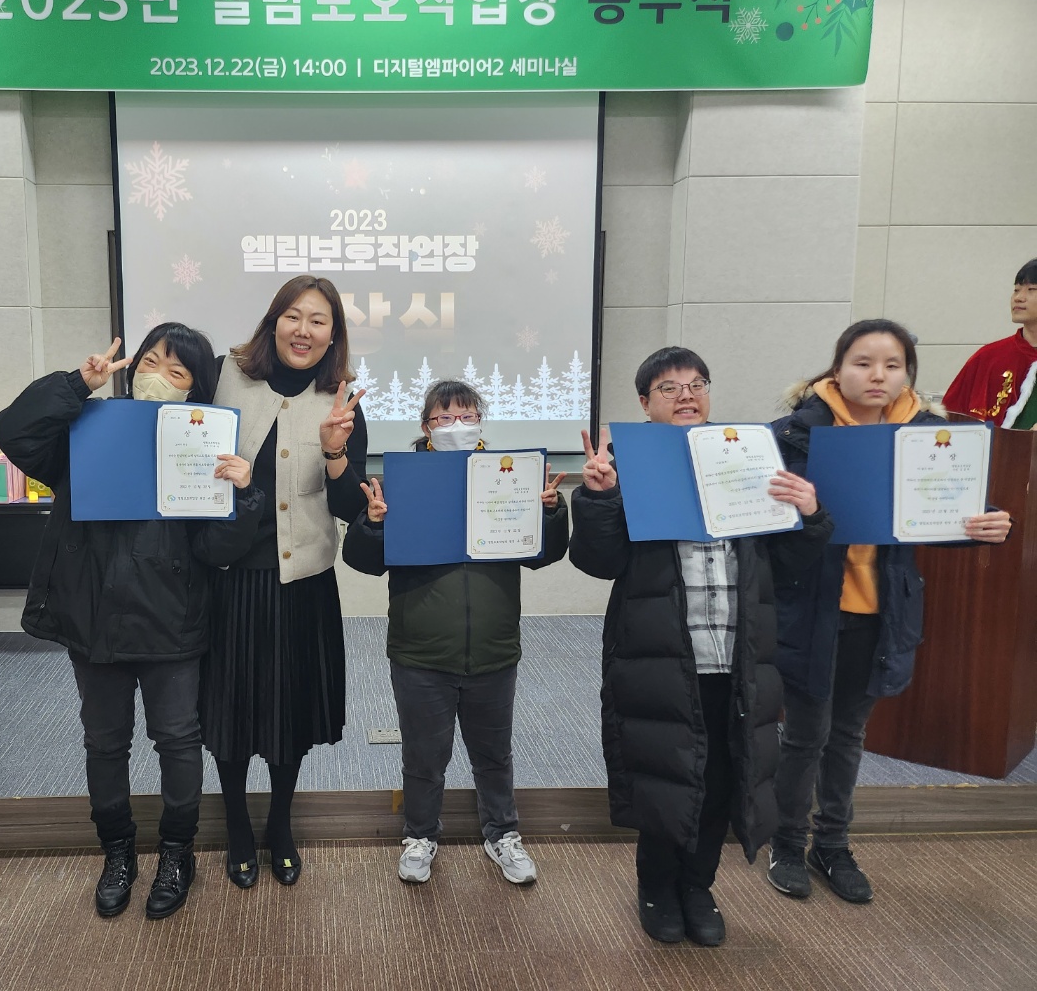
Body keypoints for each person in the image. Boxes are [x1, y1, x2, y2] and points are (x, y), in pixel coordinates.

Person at [0, 324, 263, 921]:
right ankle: (117, 852)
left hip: (172, 618)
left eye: (177, 370)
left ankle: (176, 852)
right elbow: (13, 432)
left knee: (177, 738)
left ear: (195, 389)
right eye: (150, 362)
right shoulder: (88, 426)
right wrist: (77, 384)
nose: (158, 376)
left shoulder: (202, 443)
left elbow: (219, 549)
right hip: (93, 614)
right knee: (105, 740)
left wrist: (242, 495)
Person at [568, 347, 832, 947]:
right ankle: (657, 886)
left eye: (697, 384)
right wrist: (601, 498)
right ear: (645, 404)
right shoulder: (628, 465)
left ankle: (698, 886)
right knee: (666, 774)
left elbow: (787, 563)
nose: (686, 395)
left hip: (738, 656)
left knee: (723, 777)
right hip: (661, 652)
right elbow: (598, 561)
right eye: (669, 388)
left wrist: (810, 514)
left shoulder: (747, 456)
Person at [767, 319, 1011, 904]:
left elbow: (944, 513)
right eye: (862, 362)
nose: (877, 375)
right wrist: (803, 510)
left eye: (892, 365)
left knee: (849, 734)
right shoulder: (794, 434)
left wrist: (983, 524)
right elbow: (767, 533)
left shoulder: (929, 435)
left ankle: (832, 844)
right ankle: (787, 842)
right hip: (810, 607)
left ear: (908, 374)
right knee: (804, 734)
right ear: (837, 369)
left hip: (882, 611)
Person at [342, 380, 570, 886]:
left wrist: (551, 512)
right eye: (444, 418)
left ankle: (502, 834)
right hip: (421, 650)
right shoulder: (402, 482)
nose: (456, 426)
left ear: (481, 422)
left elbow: (544, 555)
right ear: (426, 427)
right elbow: (363, 562)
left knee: (494, 754)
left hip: (493, 645)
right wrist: (373, 524)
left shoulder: (508, 478)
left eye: (466, 416)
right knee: (424, 755)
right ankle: (420, 835)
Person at [201, 274, 367, 888]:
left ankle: (279, 824)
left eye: (319, 321)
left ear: (333, 334)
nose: (304, 330)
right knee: (230, 711)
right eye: (293, 316)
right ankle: (237, 826)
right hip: (232, 575)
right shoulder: (226, 375)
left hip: (303, 581)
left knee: (289, 711)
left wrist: (335, 453)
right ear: (274, 322)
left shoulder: (340, 400)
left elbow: (349, 506)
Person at [942, 258, 1037, 428]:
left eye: (1031, 289)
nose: (1018, 298)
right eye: (1016, 290)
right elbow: (948, 419)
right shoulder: (988, 357)